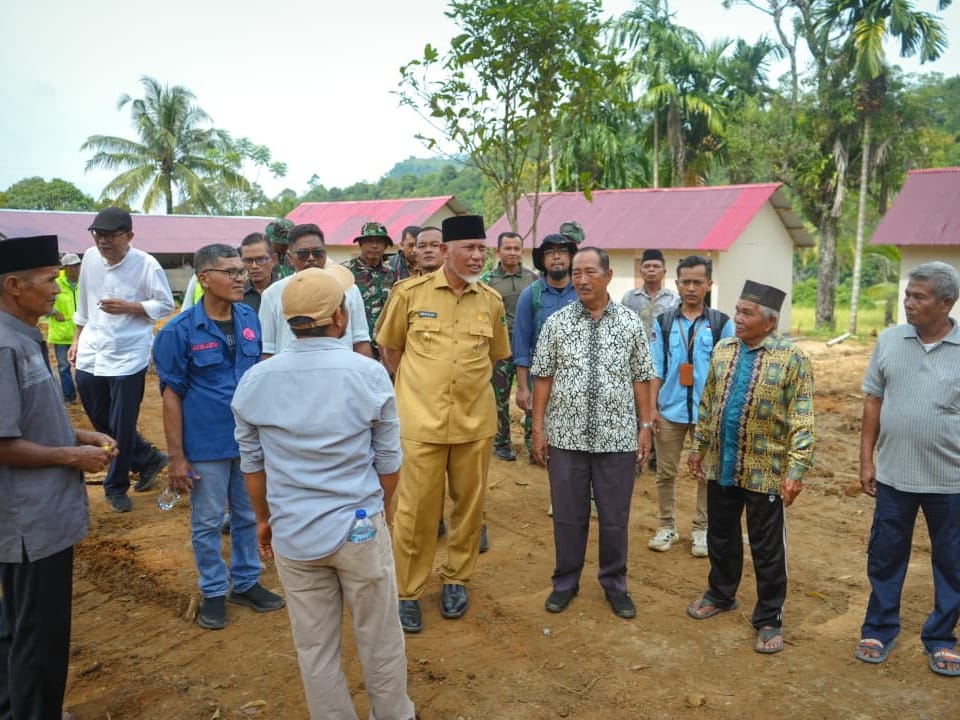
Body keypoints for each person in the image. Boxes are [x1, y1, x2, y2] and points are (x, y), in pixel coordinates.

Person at [232, 266, 415, 719]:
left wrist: (263, 519)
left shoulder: (256, 381)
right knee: (380, 636)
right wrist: (383, 510)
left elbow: (253, 466)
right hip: (358, 526)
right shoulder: (368, 374)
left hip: (294, 532)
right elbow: (388, 463)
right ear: (339, 316)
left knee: (314, 646)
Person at [0, 234, 116, 720]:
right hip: (32, 524)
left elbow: (27, 419)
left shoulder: (26, 337)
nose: (58, 287)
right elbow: (3, 444)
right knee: (39, 636)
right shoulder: (5, 347)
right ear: (13, 285)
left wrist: (78, 434)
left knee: (18, 626)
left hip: (39, 518)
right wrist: (71, 456)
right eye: (49, 280)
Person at [377, 215, 510, 633]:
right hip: (421, 423)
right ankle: (408, 591)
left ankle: (457, 579)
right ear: (446, 250)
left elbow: (493, 356)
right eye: (468, 248)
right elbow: (391, 350)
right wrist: (418, 393)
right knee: (415, 511)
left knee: (468, 508)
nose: (476, 256)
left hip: (474, 423)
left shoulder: (490, 300)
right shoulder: (409, 294)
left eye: (481, 249)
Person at [152, 244, 285, 631]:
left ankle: (245, 581)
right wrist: (177, 459)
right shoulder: (178, 331)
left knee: (247, 514)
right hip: (206, 445)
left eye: (241, 270)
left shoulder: (249, 317)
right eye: (230, 272)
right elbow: (170, 396)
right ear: (205, 279)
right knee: (208, 519)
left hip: (247, 441)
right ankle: (213, 589)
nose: (240, 277)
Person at [685, 280, 814, 655]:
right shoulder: (724, 350)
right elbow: (708, 405)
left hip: (766, 471)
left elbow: (803, 419)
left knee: (767, 547)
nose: (737, 319)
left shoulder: (792, 360)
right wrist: (699, 448)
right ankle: (721, 594)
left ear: (769, 322)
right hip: (723, 466)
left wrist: (796, 470)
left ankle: (769, 617)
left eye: (746, 313)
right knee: (720, 536)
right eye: (737, 311)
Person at [531, 247, 655, 619]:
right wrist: (538, 429)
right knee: (569, 516)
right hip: (566, 438)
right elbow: (543, 377)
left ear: (608, 276)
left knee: (615, 517)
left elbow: (643, 377)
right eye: (576, 273)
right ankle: (565, 583)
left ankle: (615, 584)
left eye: (589, 272)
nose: (582, 280)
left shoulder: (631, 323)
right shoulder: (557, 322)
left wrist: (645, 426)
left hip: (617, 439)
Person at [854, 261, 960, 677]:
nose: (908, 303)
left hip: (951, 482)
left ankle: (941, 638)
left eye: (919, 297)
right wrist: (866, 459)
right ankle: (879, 629)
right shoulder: (890, 340)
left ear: (946, 303)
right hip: (894, 476)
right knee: (885, 556)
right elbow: (872, 401)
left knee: (952, 561)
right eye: (907, 294)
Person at [68, 207, 175, 513]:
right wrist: (77, 337)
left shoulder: (146, 265)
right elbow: (85, 302)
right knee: (97, 412)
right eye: (98, 235)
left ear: (129, 236)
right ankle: (147, 457)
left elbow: (165, 304)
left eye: (110, 236)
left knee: (122, 423)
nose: (103, 242)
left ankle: (116, 486)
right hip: (92, 348)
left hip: (128, 353)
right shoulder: (89, 257)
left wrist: (132, 307)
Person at [647, 256, 733, 557]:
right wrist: (652, 409)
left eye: (698, 282)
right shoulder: (664, 322)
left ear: (709, 285)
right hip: (669, 410)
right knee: (665, 473)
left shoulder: (722, 324)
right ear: (677, 284)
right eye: (686, 282)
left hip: (707, 415)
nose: (692, 288)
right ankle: (666, 525)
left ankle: (701, 529)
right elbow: (655, 368)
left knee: (706, 474)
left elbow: (729, 371)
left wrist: (722, 412)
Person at [258, 223, 372, 359]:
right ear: (290, 257)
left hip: (339, 373)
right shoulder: (272, 294)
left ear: (325, 254)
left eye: (317, 253)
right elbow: (267, 348)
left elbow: (360, 340)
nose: (311, 258)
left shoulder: (348, 289)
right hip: (291, 376)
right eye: (303, 254)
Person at [512, 233, 578, 464]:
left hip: (577, 378)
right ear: (543, 259)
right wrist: (522, 388)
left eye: (562, 252)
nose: (557, 258)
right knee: (539, 448)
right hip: (541, 378)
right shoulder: (532, 294)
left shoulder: (582, 291)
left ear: (571, 257)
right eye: (550, 253)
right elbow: (521, 344)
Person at [482, 231, 537, 461]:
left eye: (517, 249)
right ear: (498, 252)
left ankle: (534, 443)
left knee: (533, 396)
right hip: (500, 347)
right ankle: (501, 442)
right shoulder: (487, 281)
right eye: (508, 248)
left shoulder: (533, 279)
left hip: (528, 347)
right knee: (499, 397)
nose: (513, 253)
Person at [342, 222, 398, 359]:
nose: (374, 246)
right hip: (354, 344)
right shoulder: (345, 271)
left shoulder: (390, 273)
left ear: (385, 246)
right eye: (369, 241)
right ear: (360, 244)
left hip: (384, 346)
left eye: (379, 242)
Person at [48, 252, 82, 404]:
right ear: (66, 268)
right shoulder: (55, 283)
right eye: (74, 266)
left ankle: (85, 394)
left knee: (83, 366)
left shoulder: (84, 283)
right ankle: (69, 396)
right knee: (63, 367)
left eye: (78, 265)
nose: (77, 268)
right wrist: (54, 312)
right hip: (61, 334)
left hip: (81, 333)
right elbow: (42, 302)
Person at [238, 232, 279, 313]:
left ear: (274, 259)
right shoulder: (236, 294)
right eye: (248, 260)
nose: (254, 266)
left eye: (261, 259)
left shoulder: (285, 291)